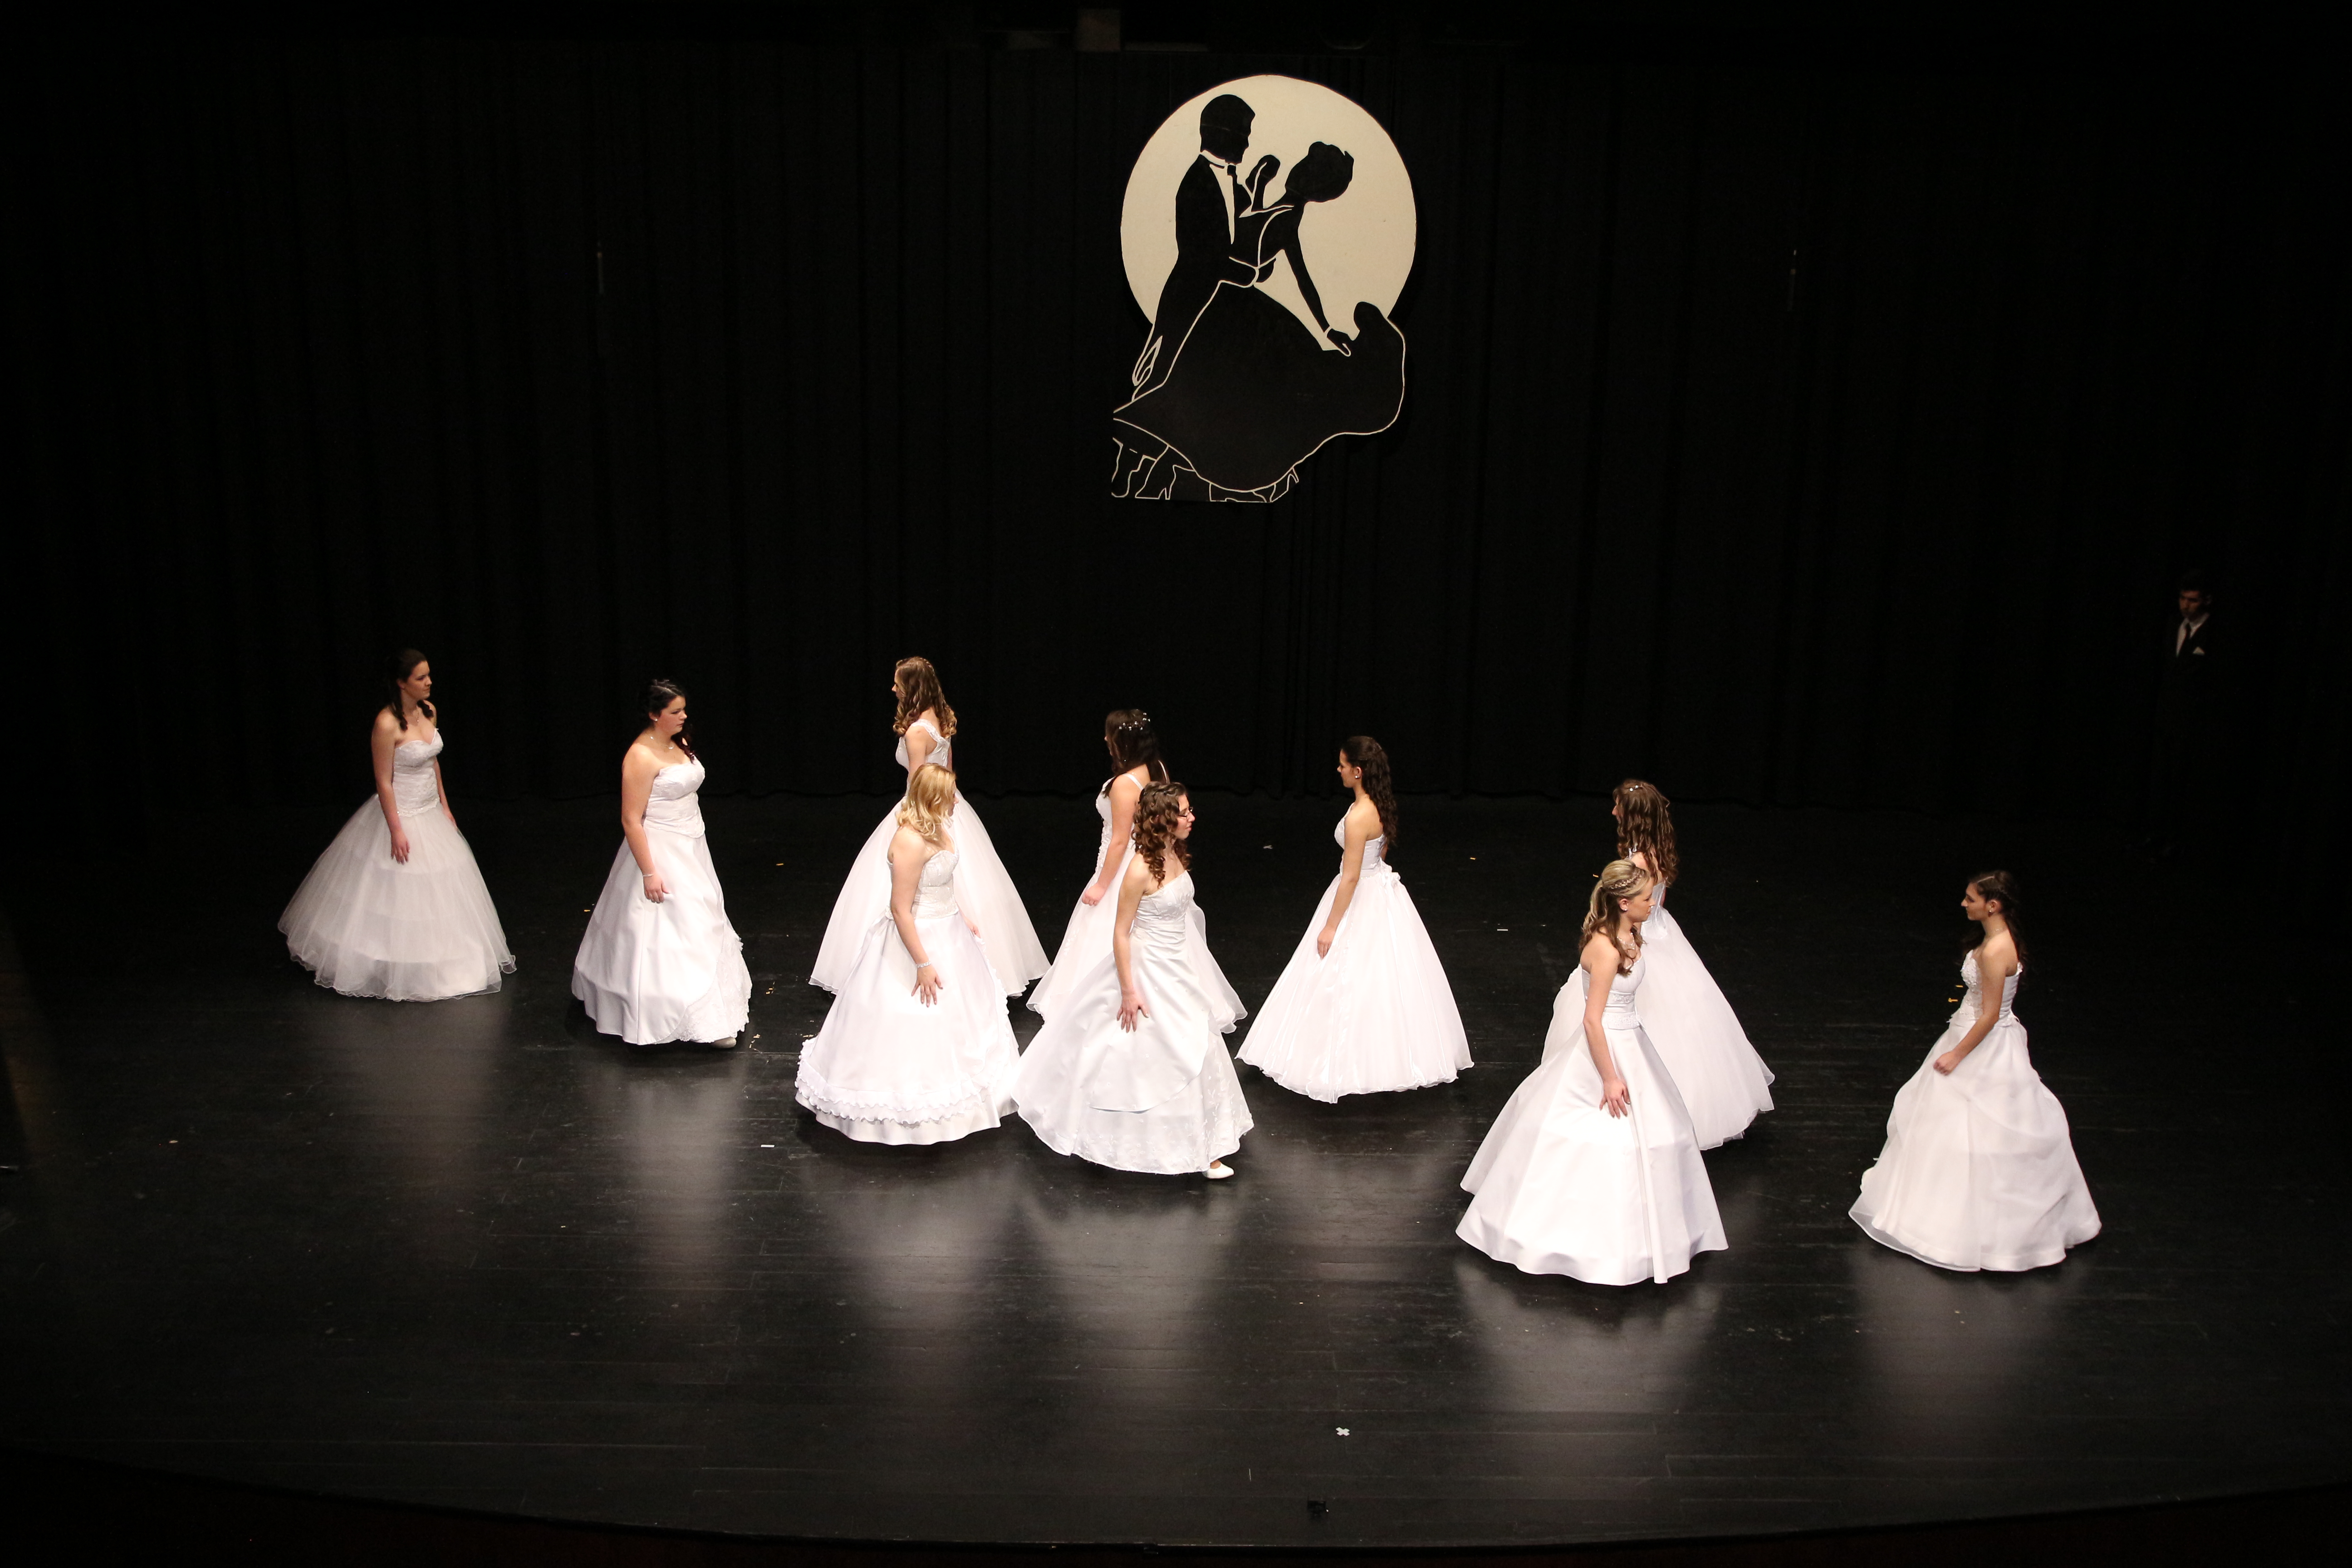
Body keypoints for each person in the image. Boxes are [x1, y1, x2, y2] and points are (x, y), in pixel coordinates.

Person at [1456, 860, 1726, 1284]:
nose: (1653, 904)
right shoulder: (1605, 948)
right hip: (1608, 1048)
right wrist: (1610, 1077)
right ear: (1624, 902)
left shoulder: (1630, 935)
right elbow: (1592, 1020)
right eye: (1645, 899)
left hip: (1633, 1041)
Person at [1114, 141, 1408, 502]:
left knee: (1186, 386)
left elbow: (1302, 281)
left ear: (1317, 186)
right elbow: (1243, 231)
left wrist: (1328, 328)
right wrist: (1258, 185)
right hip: (1215, 297)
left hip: (1228, 305)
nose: (1299, 170)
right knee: (1174, 381)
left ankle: (1141, 466)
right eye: (1304, 163)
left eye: (1310, 170)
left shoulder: (1287, 221)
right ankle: (1133, 465)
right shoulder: (1275, 209)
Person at [1850, 871, 2100, 1271]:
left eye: (1971, 899)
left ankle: (1972, 1228)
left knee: (1969, 1127)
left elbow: (1990, 1015)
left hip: (1980, 1043)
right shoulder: (1995, 941)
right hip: (1971, 1032)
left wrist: (1957, 1055)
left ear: (1992, 905)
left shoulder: (1996, 949)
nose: (1964, 904)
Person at [1012, 782, 1253, 1178]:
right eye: (1184, 813)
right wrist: (1128, 990)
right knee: (1138, 1051)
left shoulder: (1173, 854)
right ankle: (1115, 1141)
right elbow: (1121, 933)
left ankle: (1205, 1147)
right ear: (1164, 820)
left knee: (1198, 1044)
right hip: (1147, 968)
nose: (1192, 818)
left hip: (1178, 967)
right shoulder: (1140, 869)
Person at [794, 764, 1021, 1145]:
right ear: (933, 797)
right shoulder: (910, 841)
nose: (956, 800)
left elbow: (941, 881)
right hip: (918, 938)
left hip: (950, 931)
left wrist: (961, 914)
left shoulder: (941, 829)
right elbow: (901, 910)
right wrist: (923, 963)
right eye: (950, 794)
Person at [1238, 736, 1470, 1099]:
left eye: (1343, 765)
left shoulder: (1359, 816)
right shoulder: (1379, 805)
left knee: (1342, 971)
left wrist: (1331, 926)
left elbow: (1350, 878)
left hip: (1361, 891)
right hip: (1382, 891)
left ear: (1358, 771)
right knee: (1387, 974)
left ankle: (1345, 1061)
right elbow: (1380, 853)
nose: (1339, 770)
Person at [279, 648, 514, 1000]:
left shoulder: (429, 711)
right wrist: (396, 829)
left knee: (443, 886)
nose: (429, 682)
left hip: (429, 811)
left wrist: (445, 806)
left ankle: (442, 958)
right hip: (401, 814)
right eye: (421, 677)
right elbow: (384, 781)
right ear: (402, 683)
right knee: (398, 890)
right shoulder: (387, 723)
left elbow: (433, 762)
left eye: (429, 675)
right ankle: (394, 963)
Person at [809, 657, 1049, 998]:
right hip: (949, 802)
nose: (893, 688)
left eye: (898, 683)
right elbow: (948, 772)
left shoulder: (916, 732)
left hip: (924, 807)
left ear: (911, 687)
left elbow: (918, 783)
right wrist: (948, 801)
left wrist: (913, 822)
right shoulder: (941, 717)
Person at [571, 679, 750, 1049]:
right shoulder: (640, 756)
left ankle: (713, 1007)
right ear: (655, 715)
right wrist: (649, 872)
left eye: (684, 710)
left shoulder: (677, 742)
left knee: (704, 915)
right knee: (675, 924)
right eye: (675, 712)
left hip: (691, 844)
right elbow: (631, 820)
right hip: (661, 848)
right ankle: (685, 1013)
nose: (684, 717)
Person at [1609, 779, 1774, 1147]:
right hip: (1663, 933)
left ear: (1632, 814)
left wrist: (1623, 944)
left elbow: (1636, 910)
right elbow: (1658, 904)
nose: (1613, 811)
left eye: (1618, 806)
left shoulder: (1639, 861)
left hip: (1645, 939)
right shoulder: (1653, 850)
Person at [1028, 709, 1170, 1020]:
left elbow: (1119, 841)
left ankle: (1104, 1003)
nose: (1105, 739)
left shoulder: (1124, 784)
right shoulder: (1156, 770)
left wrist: (1102, 886)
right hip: (1148, 864)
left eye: (1110, 734)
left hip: (1122, 870)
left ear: (1122, 740)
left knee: (1112, 931)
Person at [2146, 571, 2220, 859]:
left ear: (2206, 601)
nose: (2186, 606)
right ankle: (2155, 833)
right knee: (2160, 779)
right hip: (2166, 717)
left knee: (2181, 783)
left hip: (2192, 724)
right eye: (2182, 599)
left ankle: (2176, 839)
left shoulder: (2212, 633)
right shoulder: (2174, 625)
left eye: (2193, 600)